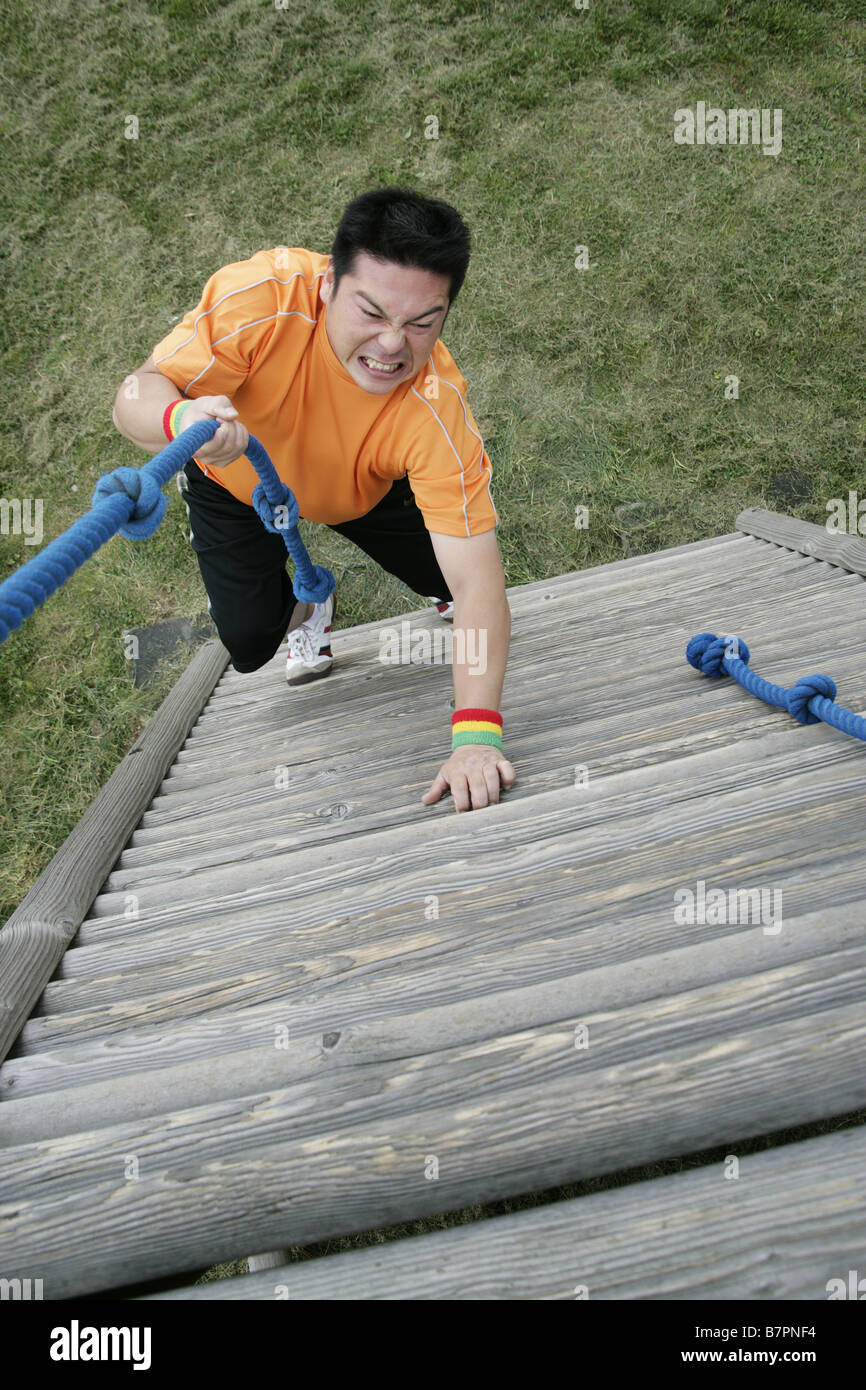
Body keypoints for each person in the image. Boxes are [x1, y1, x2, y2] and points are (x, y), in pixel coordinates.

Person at [112, 186, 515, 812]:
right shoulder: (262, 300)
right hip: (235, 480)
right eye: (373, 312)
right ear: (327, 284)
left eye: (421, 323)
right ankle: (311, 605)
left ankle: (409, 577)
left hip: (360, 492)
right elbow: (134, 394)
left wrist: (476, 736)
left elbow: (481, 588)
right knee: (248, 645)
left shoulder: (436, 409)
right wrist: (181, 415)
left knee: (457, 588)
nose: (391, 346)